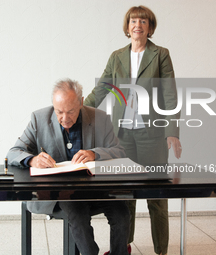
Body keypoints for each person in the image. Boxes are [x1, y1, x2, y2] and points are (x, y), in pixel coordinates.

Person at [84, 6, 182, 255]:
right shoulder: (117, 56)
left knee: (157, 196)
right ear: (127, 27)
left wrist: (172, 131)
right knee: (124, 195)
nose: (138, 25)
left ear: (150, 27)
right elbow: (103, 88)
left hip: (152, 135)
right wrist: (79, 109)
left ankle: (161, 251)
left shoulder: (160, 55)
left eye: (143, 21)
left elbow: (170, 94)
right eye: (133, 21)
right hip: (123, 137)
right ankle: (123, 247)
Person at [7, 78, 130, 255]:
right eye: (59, 112)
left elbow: (119, 151)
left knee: (122, 214)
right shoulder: (38, 119)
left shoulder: (100, 118)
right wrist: (32, 160)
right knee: (77, 214)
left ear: (81, 102)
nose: (65, 119)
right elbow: (13, 152)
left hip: (97, 187)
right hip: (61, 191)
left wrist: (95, 154)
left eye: (71, 112)